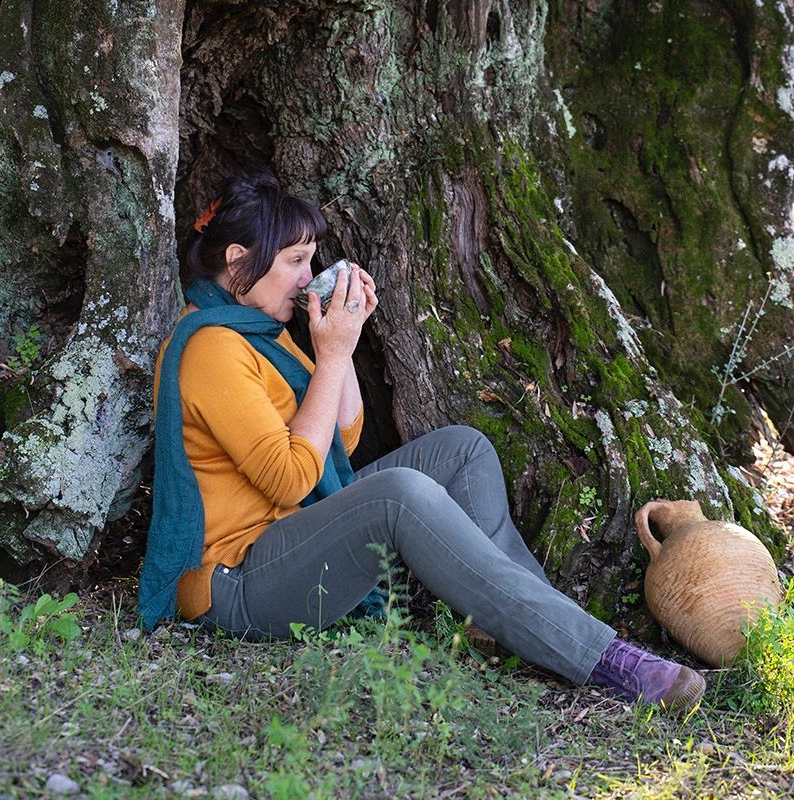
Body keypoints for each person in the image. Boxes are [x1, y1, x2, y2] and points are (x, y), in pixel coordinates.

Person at [137, 170, 706, 712]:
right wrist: (332, 353)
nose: (310, 277)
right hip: (237, 579)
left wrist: (343, 340)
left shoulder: (259, 333)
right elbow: (291, 476)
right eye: (295, 262)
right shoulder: (212, 347)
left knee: (462, 450)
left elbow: (342, 435)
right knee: (398, 495)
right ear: (239, 262)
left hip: (287, 532)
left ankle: (521, 621)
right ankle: (605, 658)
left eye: (312, 259)